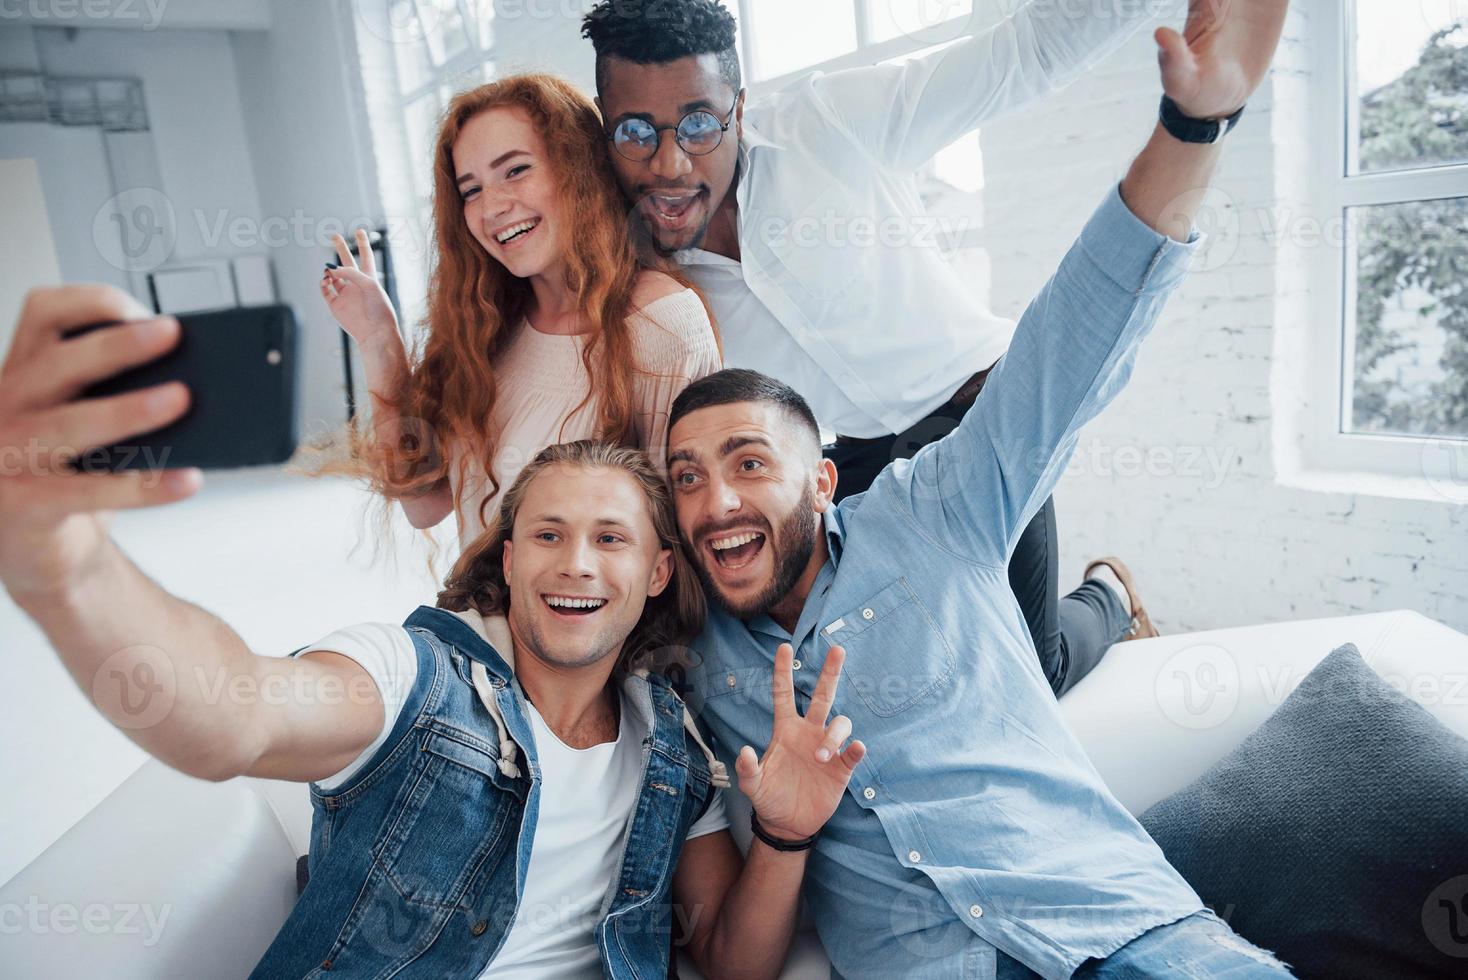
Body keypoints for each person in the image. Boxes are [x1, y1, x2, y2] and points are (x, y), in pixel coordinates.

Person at [661, 0, 1295, 975]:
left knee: (1027, 654)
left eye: (747, 461)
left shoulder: (928, 518)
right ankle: (1111, 600)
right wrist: (782, 832)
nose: (716, 499)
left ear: (818, 479)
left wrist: (1195, 124)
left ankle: (1108, 598)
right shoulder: (701, 663)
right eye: (687, 479)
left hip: (1125, 942)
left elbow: (1080, 327)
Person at [0, 308, 869, 977]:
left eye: (611, 539)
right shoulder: (414, 678)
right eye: (547, 534)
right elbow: (236, 715)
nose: (575, 565)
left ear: (655, 573)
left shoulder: (670, 748)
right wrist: (64, 562)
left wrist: (785, 835)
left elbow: (727, 956)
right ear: (508, 553)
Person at [582, 0, 1187, 696]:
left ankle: (1109, 592)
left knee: (1030, 671)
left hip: (978, 420)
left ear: (739, 112)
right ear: (605, 128)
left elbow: (1024, 54)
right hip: (857, 462)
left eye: (698, 124)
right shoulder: (634, 274)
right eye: (635, 131)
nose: (669, 162)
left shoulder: (829, 123)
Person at [319, 73, 720, 547]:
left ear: (579, 171)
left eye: (515, 171)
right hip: (475, 616)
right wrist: (377, 337)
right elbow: (424, 506)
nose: (492, 207)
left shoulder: (661, 320)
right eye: (471, 190)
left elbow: (675, 536)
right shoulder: (486, 327)